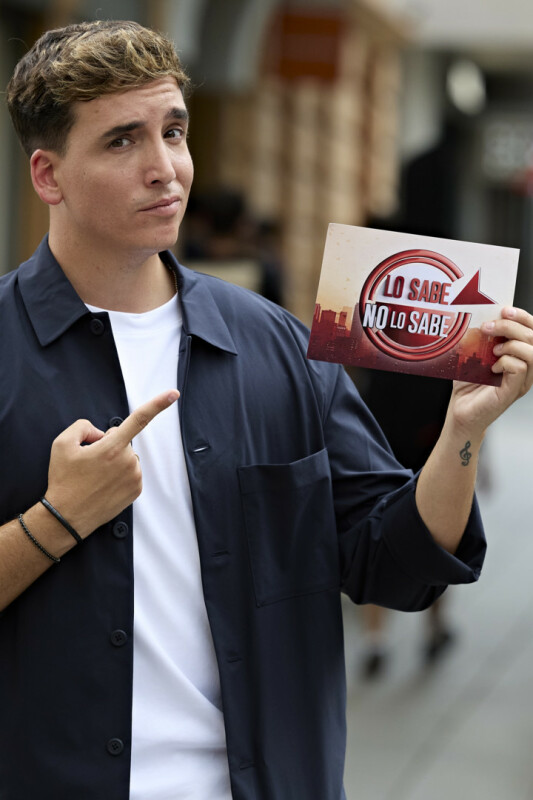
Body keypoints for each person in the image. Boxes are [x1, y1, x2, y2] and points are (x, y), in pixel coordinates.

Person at [1, 20, 532, 800]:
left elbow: (394, 564)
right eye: (121, 141)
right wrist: (57, 519)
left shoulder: (276, 344)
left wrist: (461, 431)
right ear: (48, 176)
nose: (164, 169)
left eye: (173, 131)